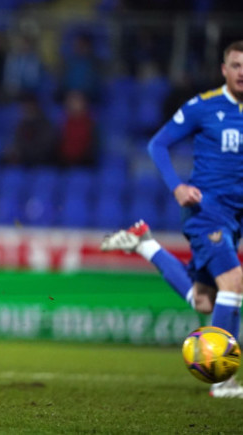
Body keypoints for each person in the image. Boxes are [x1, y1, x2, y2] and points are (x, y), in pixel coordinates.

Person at [100, 40, 243, 398]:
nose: (242, 73)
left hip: (235, 218)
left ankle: (146, 245)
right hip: (206, 212)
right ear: (223, 70)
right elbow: (157, 145)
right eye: (236, 65)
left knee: (204, 301)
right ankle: (222, 381)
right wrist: (177, 186)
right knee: (235, 282)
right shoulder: (204, 106)